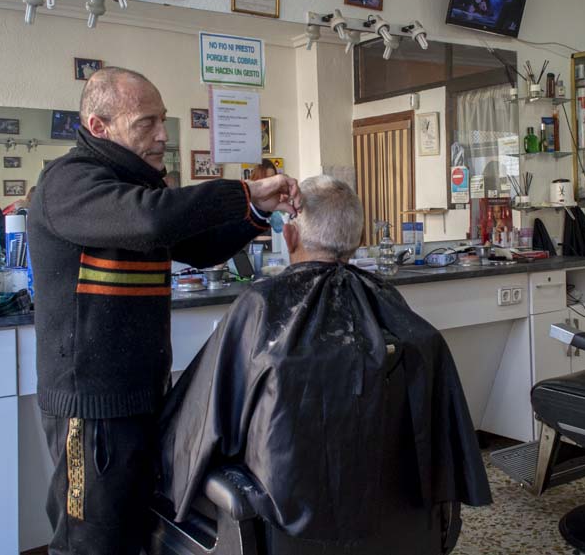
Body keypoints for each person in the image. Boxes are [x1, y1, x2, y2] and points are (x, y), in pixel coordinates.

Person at [27, 66, 301, 555]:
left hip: (144, 396)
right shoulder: (68, 183)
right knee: (91, 541)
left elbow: (202, 247)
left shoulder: (140, 187)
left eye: (164, 121)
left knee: (138, 529)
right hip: (92, 409)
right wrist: (244, 191)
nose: (161, 135)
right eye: (146, 123)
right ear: (99, 126)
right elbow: (151, 222)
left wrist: (260, 213)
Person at [159, 175, 490, 543]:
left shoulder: (260, 306)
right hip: (397, 532)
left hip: (290, 531)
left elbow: (197, 427)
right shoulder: (394, 310)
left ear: (290, 236)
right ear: (357, 240)